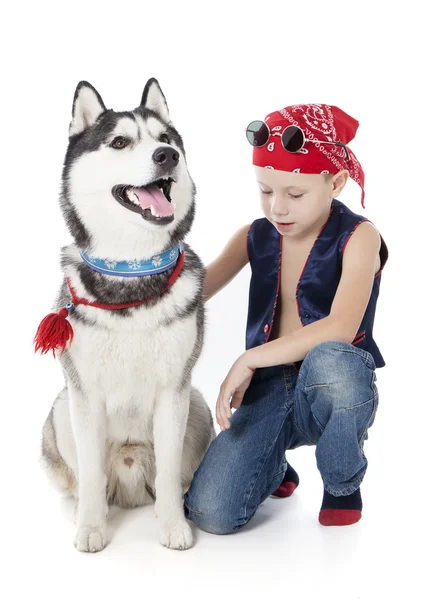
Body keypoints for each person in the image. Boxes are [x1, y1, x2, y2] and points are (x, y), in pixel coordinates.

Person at [183, 104, 388, 533]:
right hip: (271, 386)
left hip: (330, 380)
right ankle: (272, 463)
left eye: (294, 194)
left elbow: (340, 327)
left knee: (334, 362)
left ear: (335, 182)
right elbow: (191, 294)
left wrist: (249, 358)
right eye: (265, 191)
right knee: (210, 513)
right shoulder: (254, 236)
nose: (277, 208)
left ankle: (341, 480)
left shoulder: (360, 236)